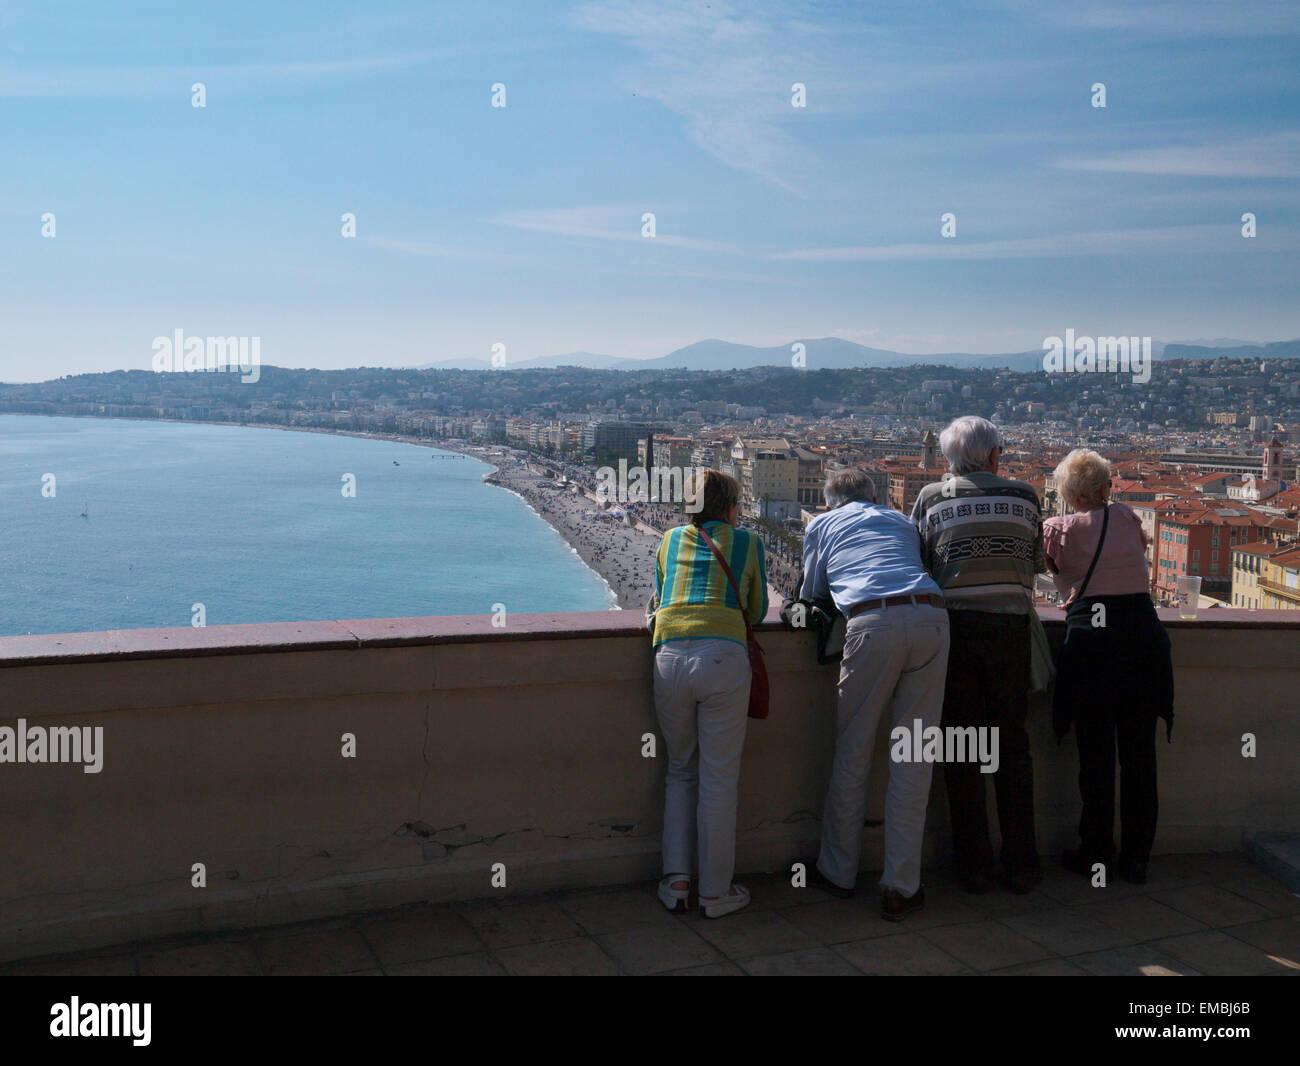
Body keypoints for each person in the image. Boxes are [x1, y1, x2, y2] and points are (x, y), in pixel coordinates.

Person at [799, 469, 949, 921]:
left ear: (829, 503)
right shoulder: (902, 521)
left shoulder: (822, 525)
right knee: (915, 757)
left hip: (872, 622)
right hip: (931, 616)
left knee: (853, 750)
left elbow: (812, 595)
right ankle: (901, 887)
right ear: (876, 495)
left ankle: (838, 872)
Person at [911, 416, 1046, 895]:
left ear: (949, 459)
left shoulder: (930, 499)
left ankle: (974, 865)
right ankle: (1022, 865)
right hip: (1010, 631)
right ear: (994, 455)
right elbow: (1035, 565)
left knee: (963, 747)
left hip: (956, 631)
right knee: (1012, 747)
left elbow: (920, 566)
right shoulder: (1026, 496)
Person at [1044, 449, 1173, 885]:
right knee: (1140, 757)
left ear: (1067, 493)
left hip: (1094, 650)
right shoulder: (1128, 519)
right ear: (1104, 488)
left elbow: (1056, 572)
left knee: (1096, 759)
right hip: (1143, 643)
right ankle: (1137, 858)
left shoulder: (1058, 529)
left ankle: (1096, 854)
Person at [649, 469, 768, 919]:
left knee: (680, 770)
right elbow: (754, 610)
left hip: (670, 655)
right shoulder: (749, 544)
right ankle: (716, 893)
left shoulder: (669, 540)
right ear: (731, 508)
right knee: (719, 781)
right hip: (723, 658)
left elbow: (661, 599)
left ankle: (676, 883)